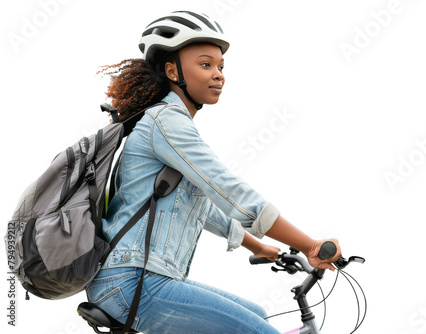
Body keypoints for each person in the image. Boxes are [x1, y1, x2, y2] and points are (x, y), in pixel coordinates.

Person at [86, 10, 341, 334]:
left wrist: (257, 246)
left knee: (258, 316)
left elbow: (201, 206)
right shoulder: (167, 122)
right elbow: (229, 190)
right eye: (206, 64)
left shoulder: (164, 123)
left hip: (133, 281)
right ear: (171, 70)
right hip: (135, 283)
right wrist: (310, 245)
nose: (219, 75)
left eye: (221, 66)